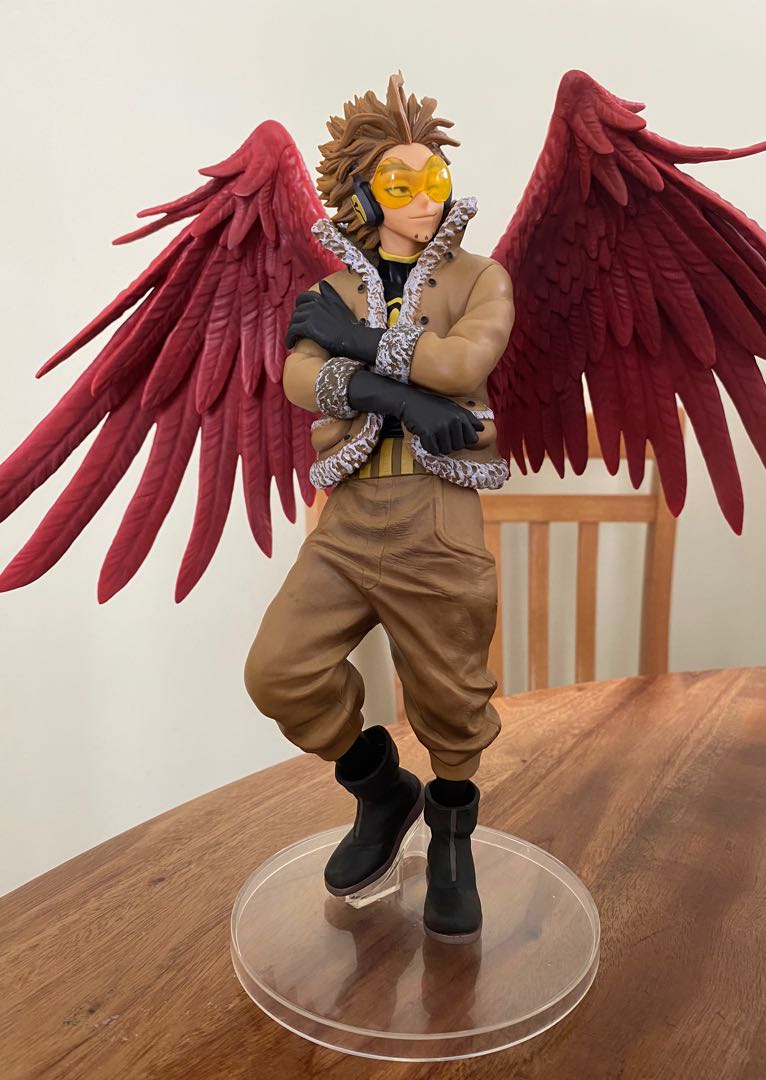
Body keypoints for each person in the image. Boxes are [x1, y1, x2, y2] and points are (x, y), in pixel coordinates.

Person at [243, 73, 515, 944]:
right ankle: (380, 789)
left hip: (438, 514)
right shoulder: (333, 289)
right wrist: (391, 394)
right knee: (279, 670)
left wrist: (357, 347)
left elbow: (461, 366)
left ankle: (451, 834)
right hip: (352, 519)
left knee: (452, 700)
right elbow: (297, 377)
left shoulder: (481, 278)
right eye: (401, 183)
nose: (425, 197)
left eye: (435, 177)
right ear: (363, 194)